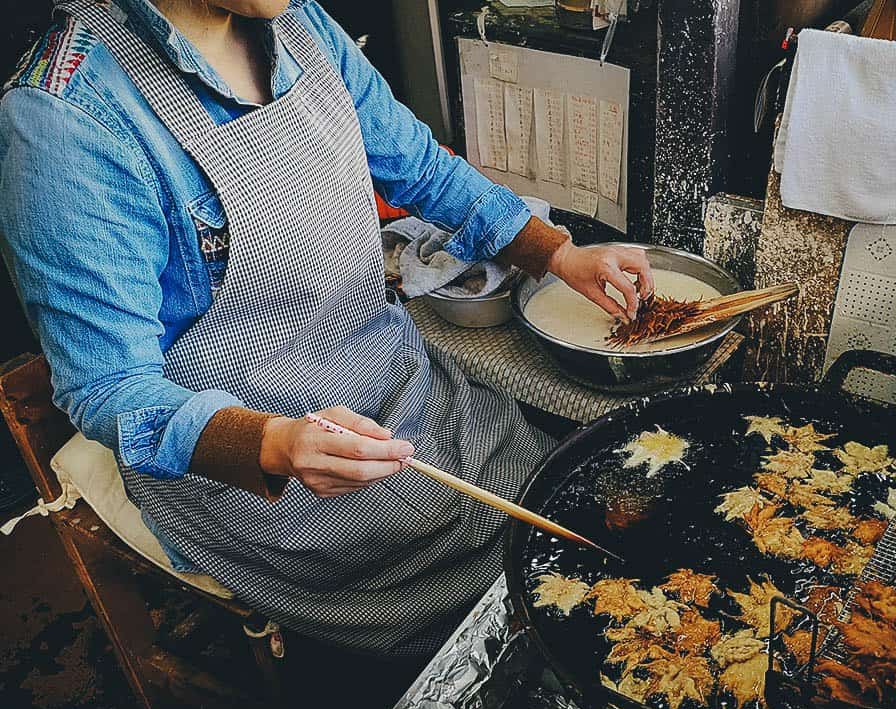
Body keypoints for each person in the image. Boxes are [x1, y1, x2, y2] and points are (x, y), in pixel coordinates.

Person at [0, 0, 654, 659]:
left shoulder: (300, 24)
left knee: (562, 518)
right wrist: (275, 444)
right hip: (262, 472)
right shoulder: (65, 116)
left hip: (400, 381)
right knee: (515, 610)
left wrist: (556, 254)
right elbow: (108, 386)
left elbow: (420, 167)